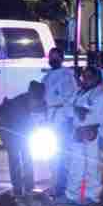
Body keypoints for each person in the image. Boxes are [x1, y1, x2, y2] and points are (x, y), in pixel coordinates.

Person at [65, 66, 103, 206]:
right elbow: (68, 109)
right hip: (77, 134)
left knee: (92, 168)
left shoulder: (102, 96)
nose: (86, 79)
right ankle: (72, 195)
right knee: (75, 166)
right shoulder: (78, 93)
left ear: (96, 78)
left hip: (93, 135)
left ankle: (92, 197)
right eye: (84, 76)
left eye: (89, 77)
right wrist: (77, 111)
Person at [0, 80, 46, 197]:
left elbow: (40, 119)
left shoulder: (40, 102)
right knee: (15, 158)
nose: (37, 103)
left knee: (27, 156)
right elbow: (21, 127)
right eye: (35, 100)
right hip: (7, 127)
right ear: (31, 94)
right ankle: (17, 188)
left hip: (20, 128)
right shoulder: (17, 106)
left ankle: (29, 186)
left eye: (39, 100)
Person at [41, 47, 78, 197]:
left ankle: (62, 187)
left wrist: (68, 118)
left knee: (61, 154)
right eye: (51, 57)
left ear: (61, 59)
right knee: (52, 155)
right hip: (50, 119)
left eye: (56, 57)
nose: (53, 59)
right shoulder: (47, 76)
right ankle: (55, 184)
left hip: (61, 119)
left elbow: (70, 98)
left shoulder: (66, 76)